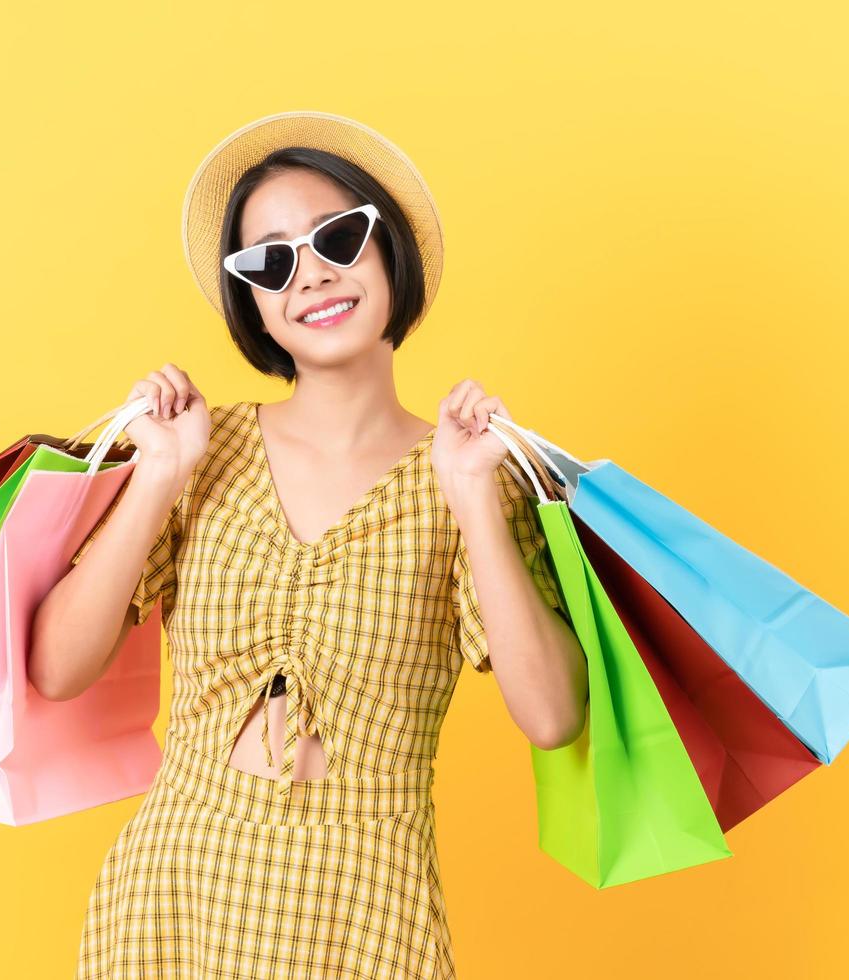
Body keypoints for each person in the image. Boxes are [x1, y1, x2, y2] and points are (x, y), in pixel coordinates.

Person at [30, 110, 588, 979]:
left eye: (338, 237)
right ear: (250, 297)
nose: (312, 275)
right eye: (272, 260)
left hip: (366, 906)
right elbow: (57, 669)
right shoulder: (200, 453)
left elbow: (554, 718)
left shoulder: (464, 476)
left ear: (387, 246)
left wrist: (475, 496)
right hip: (173, 895)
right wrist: (157, 476)